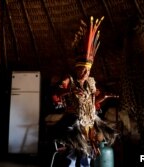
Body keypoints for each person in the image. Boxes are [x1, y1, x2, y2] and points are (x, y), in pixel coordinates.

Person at [49, 16, 118, 167]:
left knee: (87, 154)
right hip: (74, 122)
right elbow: (57, 93)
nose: (86, 72)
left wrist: (104, 97)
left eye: (88, 70)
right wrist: (68, 92)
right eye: (83, 69)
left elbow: (93, 101)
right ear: (77, 68)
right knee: (73, 154)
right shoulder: (70, 80)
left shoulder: (91, 82)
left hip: (89, 122)